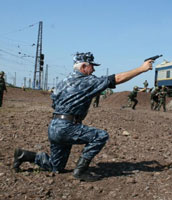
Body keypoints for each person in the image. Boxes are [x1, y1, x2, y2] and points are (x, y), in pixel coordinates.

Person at [13, 52, 153, 181]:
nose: (93, 70)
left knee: (56, 166)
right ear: (84, 67)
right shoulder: (87, 81)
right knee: (100, 136)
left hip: (54, 126)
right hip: (67, 127)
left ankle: (23, 155)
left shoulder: (63, 82)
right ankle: (80, 171)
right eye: (92, 66)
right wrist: (141, 68)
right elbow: (117, 78)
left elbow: (54, 102)